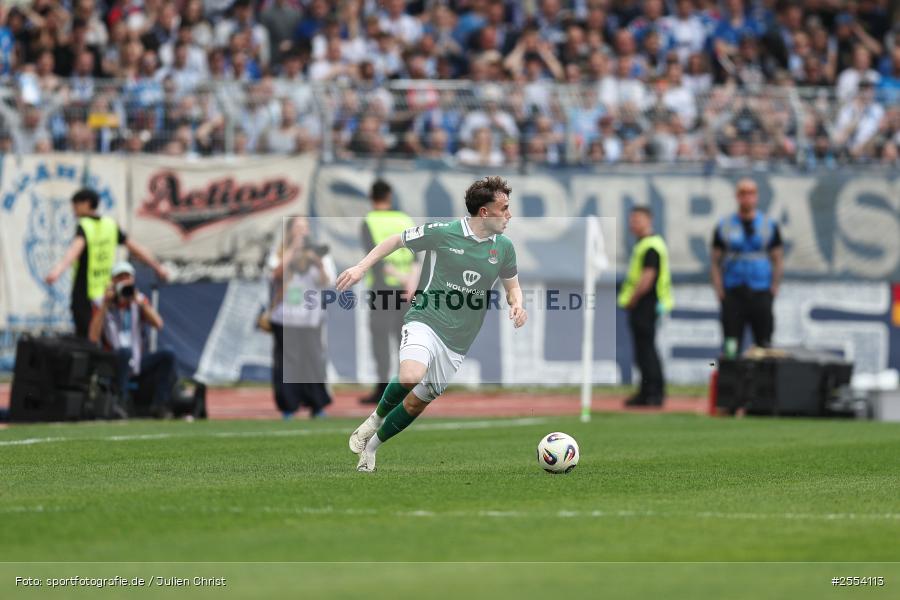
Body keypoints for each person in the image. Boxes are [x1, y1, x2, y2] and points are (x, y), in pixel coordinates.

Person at [337, 176, 527, 473]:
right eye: (504, 208)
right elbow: (396, 240)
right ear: (484, 212)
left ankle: (371, 447)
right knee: (411, 374)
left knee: (416, 403)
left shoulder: (504, 248)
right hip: (425, 318)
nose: (509, 215)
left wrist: (518, 304)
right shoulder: (444, 232)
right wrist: (361, 267)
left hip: (459, 340)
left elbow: (512, 286)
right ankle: (375, 419)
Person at [45, 188, 167, 338]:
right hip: (105, 291)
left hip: (86, 292)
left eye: (76, 206)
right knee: (105, 334)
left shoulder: (85, 225)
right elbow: (135, 247)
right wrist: (157, 267)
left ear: (87, 203)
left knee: (88, 338)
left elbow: (74, 251)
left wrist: (57, 271)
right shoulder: (110, 224)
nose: (73, 210)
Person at [88, 262, 177, 419]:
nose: (124, 281)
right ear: (113, 281)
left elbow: (158, 324)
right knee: (125, 352)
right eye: (120, 278)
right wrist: (105, 304)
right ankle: (121, 403)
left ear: (133, 280)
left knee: (168, 354)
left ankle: (160, 405)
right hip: (114, 359)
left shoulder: (138, 300)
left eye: (127, 277)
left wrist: (140, 303)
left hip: (137, 360)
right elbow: (93, 337)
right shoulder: (100, 302)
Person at [269, 216, 335, 419]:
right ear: (289, 230)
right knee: (287, 363)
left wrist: (318, 262)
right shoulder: (279, 252)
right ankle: (289, 406)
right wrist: (292, 250)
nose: (302, 231)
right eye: (298, 227)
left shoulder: (318, 252)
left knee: (313, 361)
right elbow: (276, 274)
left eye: (305, 227)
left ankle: (317, 405)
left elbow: (327, 282)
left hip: (311, 318)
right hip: (285, 318)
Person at [358, 179, 417, 405]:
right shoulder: (404, 219)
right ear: (390, 196)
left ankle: (383, 390)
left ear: (371, 197)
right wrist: (410, 283)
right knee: (406, 341)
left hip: (383, 288)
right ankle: (406, 388)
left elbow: (376, 259)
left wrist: (399, 278)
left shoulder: (369, 221)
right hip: (408, 290)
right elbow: (416, 256)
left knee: (380, 340)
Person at [710, 179, 784, 357]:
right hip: (734, 291)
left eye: (751, 193)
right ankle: (730, 374)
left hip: (760, 290)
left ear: (756, 197)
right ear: (737, 197)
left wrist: (774, 287)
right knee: (731, 344)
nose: (747, 198)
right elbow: (715, 262)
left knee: (764, 344)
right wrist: (719, 290)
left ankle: (763, 376)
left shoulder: (768, 225)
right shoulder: (725, 225)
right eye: (743, 193)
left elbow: (778, 259)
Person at [617, 206, 673, 407]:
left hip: (646, 303)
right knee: (643, 349)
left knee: (646, 349)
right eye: (632, 220)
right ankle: (646, 391)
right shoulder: (644, 244)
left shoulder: (651, 245)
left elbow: (648, 277)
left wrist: (633, 298)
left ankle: (653, 392)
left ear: (649, 221)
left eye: (638, 220)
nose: (633, 224)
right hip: (644, 302)